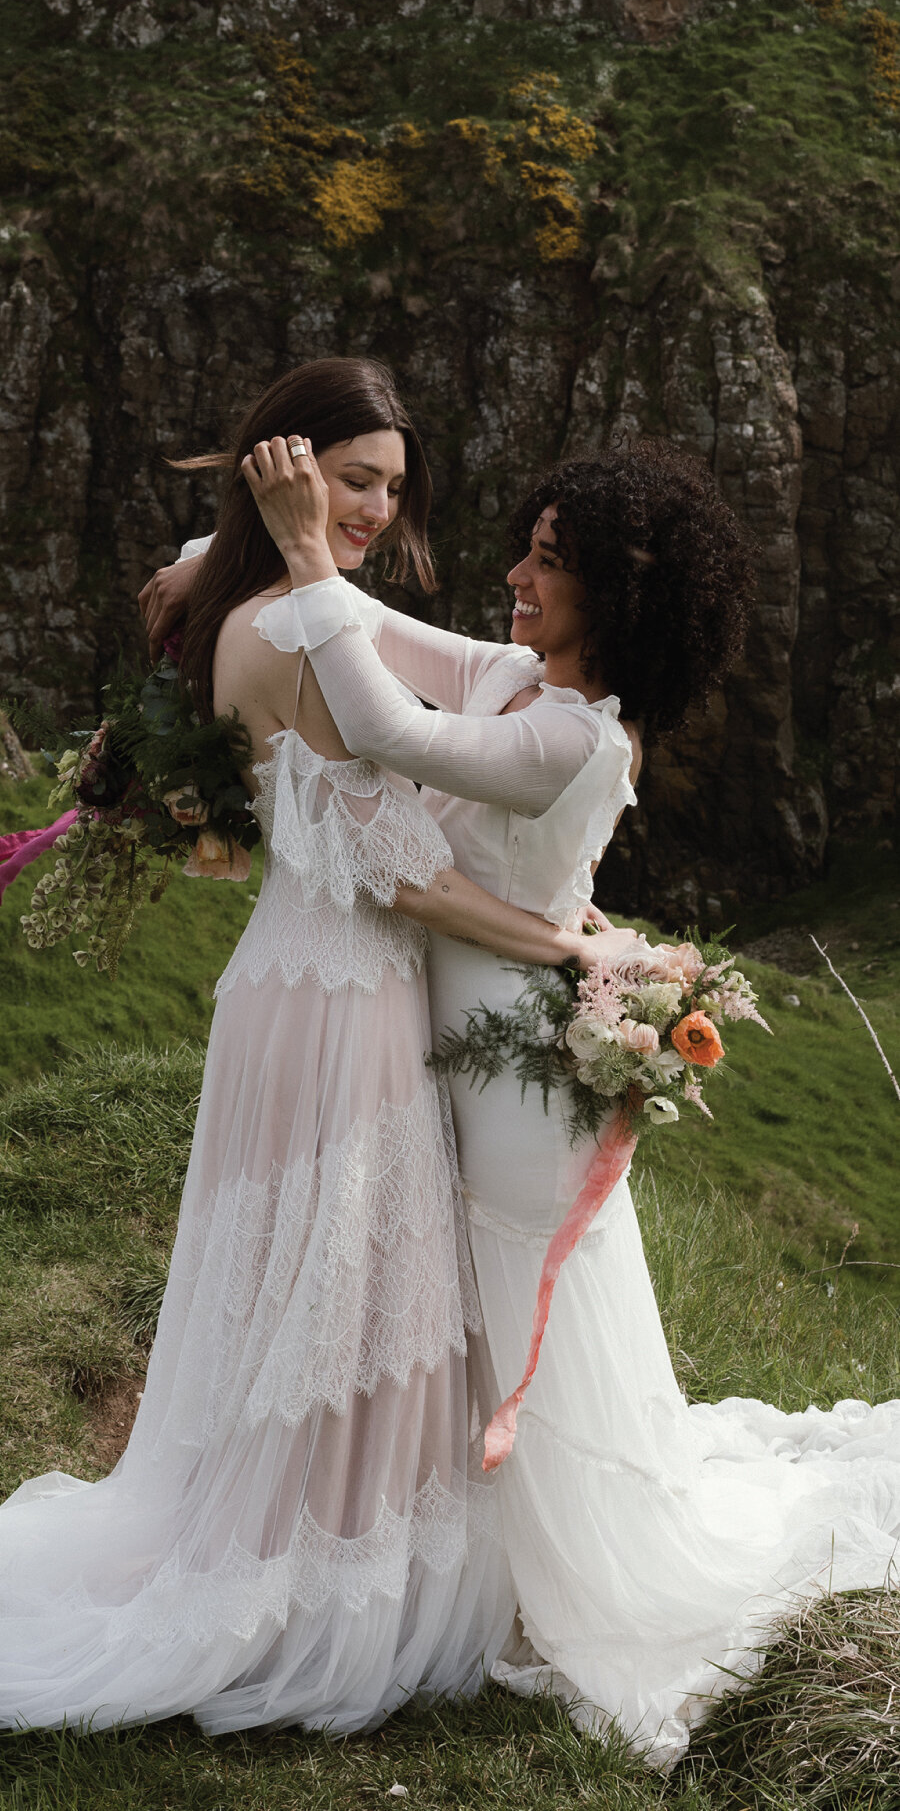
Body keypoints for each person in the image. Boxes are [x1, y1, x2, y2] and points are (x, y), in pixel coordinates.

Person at [201, 427, 900, 1773]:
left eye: (551, 561)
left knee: (520, 1307)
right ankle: (478, 1561)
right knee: (473, 1307)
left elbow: (392, 723)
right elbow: (385, 632)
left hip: (514, 1065)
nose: (518, 573)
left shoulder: (575, 741)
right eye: (527, 544)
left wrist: (299, 548)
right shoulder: (531, 682)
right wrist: (219, 562)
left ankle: (568, 1575)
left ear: (617, 597)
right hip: (470, 1038)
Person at [0, 357, 618, 1739]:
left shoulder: (247, 615)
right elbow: (405, 878)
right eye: (353, 481)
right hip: (346, 1006)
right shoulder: (303, 633)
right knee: (354, 1296)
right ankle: (321, 1575)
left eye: (392, 490)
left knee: (297, 1288)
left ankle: (280, 1531)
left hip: (276, 992)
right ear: (290, 469)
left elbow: (471, 672)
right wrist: (572, 947)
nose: (375, 512)